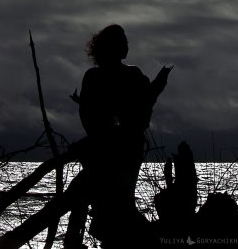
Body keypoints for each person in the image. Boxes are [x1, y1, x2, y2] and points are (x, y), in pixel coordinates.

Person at [68, 24, 171, 248]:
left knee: (115, 208)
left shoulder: (125, 75)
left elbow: (139, 117)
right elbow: (91, 120)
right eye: (122, 42)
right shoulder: (102, 77)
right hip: (111, 153)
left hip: (121, 151)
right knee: (114, 209)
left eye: (126, 41)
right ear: (112, 47)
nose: (126, 46)